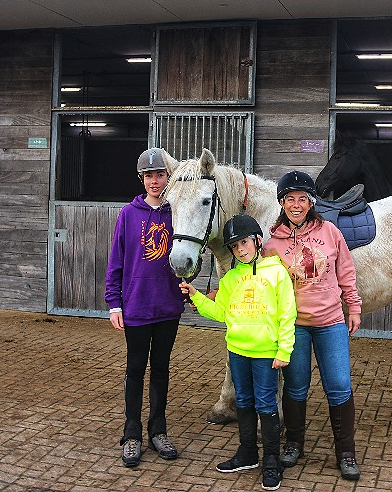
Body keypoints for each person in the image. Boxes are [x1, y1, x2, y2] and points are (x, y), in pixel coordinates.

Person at [180, 214, 296, 492]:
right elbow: (220, 312)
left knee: (266, 404)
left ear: (257, 241)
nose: (241, 249)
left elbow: (287, 313)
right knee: (243, 401)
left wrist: (284, 349)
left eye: (244, 242)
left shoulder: (277, 272)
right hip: (238, 352)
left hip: (266, 353)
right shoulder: (231, 278)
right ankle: (247, 454)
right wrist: (196, 296)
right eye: (234, 246)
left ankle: (271, 460)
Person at [263, 170, 363, 481]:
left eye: (302, 199)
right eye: (290, 199)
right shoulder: (271, 244)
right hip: (295, 327)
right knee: (295, 387)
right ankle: (293, 443)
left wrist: (354, 307)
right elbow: (264, 284)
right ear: (282, 203)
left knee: (339, 386)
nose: (296, 204)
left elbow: (346, 271)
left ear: (311, 202)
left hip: (331, 322)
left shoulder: (331, 232)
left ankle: (345, 452)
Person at [105, 147, 184, 468]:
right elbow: (116, 261)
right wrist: (114, 303)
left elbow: (187, 256)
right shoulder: (128, 214)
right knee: (136, 370)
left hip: (168, 307)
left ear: (168, 178)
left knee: (162, 370)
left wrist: (190, 291)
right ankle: (132, 433)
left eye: (160, 175)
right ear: (142, 179)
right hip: (136, 306)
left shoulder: (176, 211)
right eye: (149, 175)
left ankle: (158, 430)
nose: (154, 181)